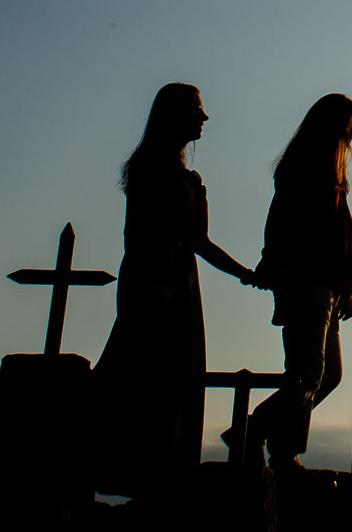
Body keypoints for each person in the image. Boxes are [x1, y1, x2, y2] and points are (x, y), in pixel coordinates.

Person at [91, 82, 257, 497]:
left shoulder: (187, 177)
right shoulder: (150, 167)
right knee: (149, 378)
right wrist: (155, 285)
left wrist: (245, 272)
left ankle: (167, 477)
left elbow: (198, 241)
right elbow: (140, 235)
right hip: (154, 284)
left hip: (180, 285)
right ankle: (141, 476)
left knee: (178, 380)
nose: (204, 118)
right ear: (175, 114)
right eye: (197, 109)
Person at [241, 92, 352, 468]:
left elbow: (337, 237)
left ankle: (269, 437)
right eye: (351, 128)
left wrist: (343, 286)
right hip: (305, 282)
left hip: (324, 284)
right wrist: (278, 269)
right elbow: (286, 227)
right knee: (308, 372)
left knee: (328, 374)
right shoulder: (304, 173)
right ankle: (270, 440)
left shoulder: (330, 179)